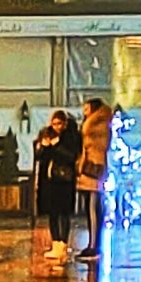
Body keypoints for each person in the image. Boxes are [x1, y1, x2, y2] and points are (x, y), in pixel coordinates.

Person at [32, 110, 79, 258]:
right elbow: (39, 157)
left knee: (63, 213)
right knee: (52, 213)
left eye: (59, 123)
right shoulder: (46, 133)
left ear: (64, 124)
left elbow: (71, 157)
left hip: (63, 180)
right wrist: (44, 146)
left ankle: (63, 243)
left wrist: (57, 145)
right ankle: (55, 242)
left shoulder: (70, 137)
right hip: (49, 180)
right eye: (54, 123)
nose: (56, 127)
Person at [70, 98, 113, 260]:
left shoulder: (97, 125)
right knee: (90, 209)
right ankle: (93, 244)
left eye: (86, 108)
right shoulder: (95, 124)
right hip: (90, 168)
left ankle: (94, 245)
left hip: (93, 169)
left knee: (93, 208)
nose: (84, 111)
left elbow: (96, 147)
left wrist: (85, 164)